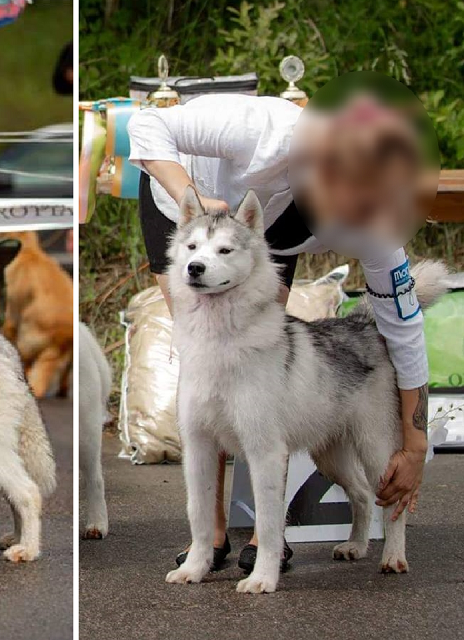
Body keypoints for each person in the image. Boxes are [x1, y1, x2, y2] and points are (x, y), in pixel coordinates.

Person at [127, 82, 432, 574]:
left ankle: (267, 540)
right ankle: (210, 539)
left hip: (260, 244)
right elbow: (145, 121)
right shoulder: (264, 130)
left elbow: (403, 326)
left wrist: (416, 444)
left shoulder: (374, 220)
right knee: (206, 366)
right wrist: (190, 190)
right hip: (182, 208)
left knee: (260, 393)